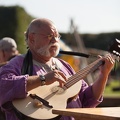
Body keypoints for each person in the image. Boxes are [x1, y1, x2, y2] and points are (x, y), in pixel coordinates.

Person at [0, 18, 115, 120]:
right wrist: (43, 79)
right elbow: (3, 86)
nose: (55, 40)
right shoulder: (16, 64)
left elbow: (86, 99)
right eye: (50, 36)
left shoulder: (65, 66)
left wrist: (103, 75)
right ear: (32, 38)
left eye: (57, 36)